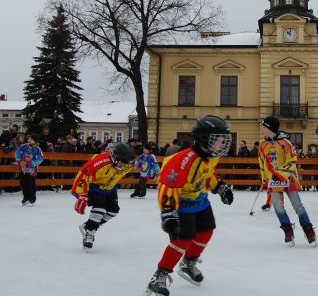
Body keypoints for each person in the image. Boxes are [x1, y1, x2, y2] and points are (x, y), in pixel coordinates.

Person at [145, 115, 234, 296]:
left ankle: (188, 263)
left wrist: (219, 187)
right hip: (181, 205)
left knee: (206, 232)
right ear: (204, 139)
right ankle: (159, 276)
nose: (222, 144)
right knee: (181, 241)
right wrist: (168, 213)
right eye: (218, 140)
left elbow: (206, 175)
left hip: (200, 202)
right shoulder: (183, 161)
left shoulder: (211, 157)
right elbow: (168, 186)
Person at [259, 116, 316, 247]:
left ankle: (308, 230)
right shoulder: (262, 145)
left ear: (270, 128)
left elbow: (292, 161)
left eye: (263, 126)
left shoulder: (286, 143)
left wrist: (280, 175)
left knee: (298, 206)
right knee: (278, 207)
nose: (261, 128)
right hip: (273, 182)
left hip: (288, 179)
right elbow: (262, 164)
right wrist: (265, 179)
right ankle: (287, 230)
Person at [71, 143, 135, 249]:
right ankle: (89, 233)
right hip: (95, 186)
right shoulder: (100, 162)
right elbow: (83, 174)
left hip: (110, 188)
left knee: (113, 210)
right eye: (122, 163)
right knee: (100, 208)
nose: (123, 166)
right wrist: (80, 194)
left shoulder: (127, 164)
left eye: (126, 163)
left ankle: (90, 225)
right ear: (115, 157)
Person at [14, 134, 44, 206]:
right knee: (23, 183)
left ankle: (32, 198)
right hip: (23, 168)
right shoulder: (23, 146)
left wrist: (30, 163)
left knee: (31, 184)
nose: (29, 140)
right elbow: (17, 153)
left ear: (35, 141)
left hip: (32, 170)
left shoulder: (38, 149)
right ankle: (25, 197)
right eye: (28, 139)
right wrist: (20, 161)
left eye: (31, 139)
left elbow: (40, 159)